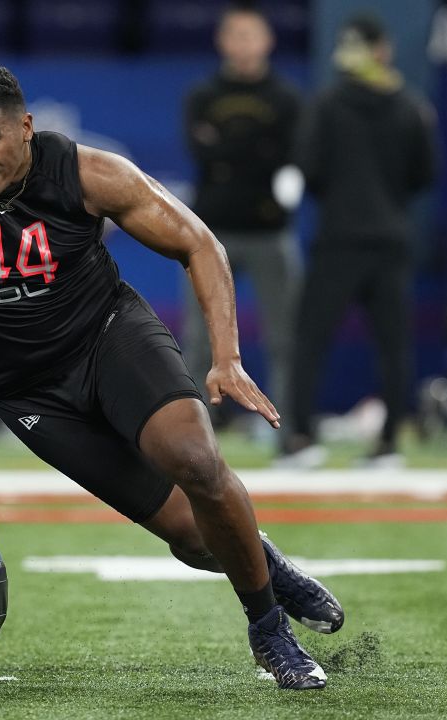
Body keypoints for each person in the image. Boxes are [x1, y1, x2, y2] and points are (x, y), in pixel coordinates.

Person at [0, 62, 341, 690]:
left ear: (25, 128)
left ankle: (269, 632)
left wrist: (227, 357)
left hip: (108, 338)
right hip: (27, 390)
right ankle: (265, 562)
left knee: (195, 461)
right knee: (193, 535)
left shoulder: (85, 172)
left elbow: (198, 243)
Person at [280, 15, 438, 469]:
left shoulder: (328, 104)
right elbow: (424, 175)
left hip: (340, 240)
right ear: (383, 50)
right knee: (393, 346)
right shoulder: (411, 106)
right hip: (390, 239)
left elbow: (307, 168)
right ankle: (388, 444)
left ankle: (300, 440)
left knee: (311, 340)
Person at [183, 4, 303, 442]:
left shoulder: (286, 98)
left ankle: (286, 426)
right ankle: (196, 431)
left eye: (252, 34)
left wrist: (232, 150)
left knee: (285, 337)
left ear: (267, 40)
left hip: (272, 233)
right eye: (236, 34)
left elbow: (289, 155)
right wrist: (259, 151)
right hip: (209, 236)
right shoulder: (203, 95)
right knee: (199, 338)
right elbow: (203, 154)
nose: (244, 44)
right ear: (223, 41)